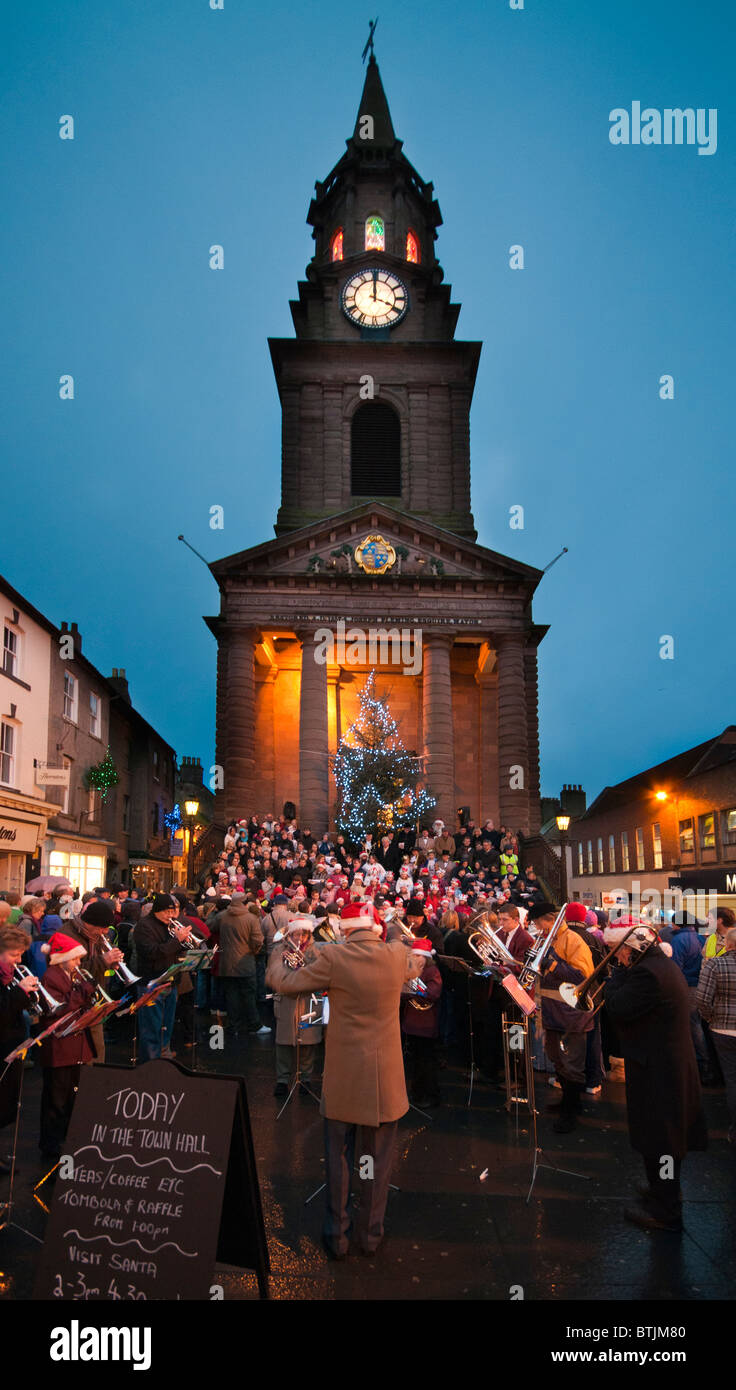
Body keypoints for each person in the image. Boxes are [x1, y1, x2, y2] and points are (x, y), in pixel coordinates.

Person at [266, 898, 423, 1260]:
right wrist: (397, 938)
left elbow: (282, 982)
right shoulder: (396, 954)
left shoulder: (334, 959)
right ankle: (371, 1234)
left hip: (344, 1079)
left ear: (344, 930)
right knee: (377, 1162)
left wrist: (277, 950)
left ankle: (337, 1235)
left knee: (338, 1158)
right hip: (385, 1081)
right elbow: (415, 966)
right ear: (373, 928)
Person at [603, 920, 707, 1231]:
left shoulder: (647, 973)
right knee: (659, 1137)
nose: (616, 958)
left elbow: (618, 1006)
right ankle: (661, 1191)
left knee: (663, 1140)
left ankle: (667, 1208)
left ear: (629, 948)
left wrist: (616, 976)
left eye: (616, 953)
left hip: (661, 1070)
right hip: (662, 1065)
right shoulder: (658, 965)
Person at [527, 901, 594, 1132]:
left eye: (539, 923)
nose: (538, 928)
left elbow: (583, 976)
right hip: (551, 1010)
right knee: (557, 1059)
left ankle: (572, 1110)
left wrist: (552, 965)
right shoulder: (547, 939)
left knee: (572, 1062)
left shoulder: (573, 940)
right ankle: (567, 1101)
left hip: (570, 1011)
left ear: (549, 919)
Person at [37, 932, 97, 1158]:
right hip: (60, 1048)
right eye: (75, 959)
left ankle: (66, 1136)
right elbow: (60, 1009)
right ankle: (51, 1144)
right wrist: (83, 992)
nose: (79, 964)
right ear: (62, 958)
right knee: (56, 1097)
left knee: (72, 1093)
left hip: (76, 1045)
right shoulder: (52, 976)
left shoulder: (71, 975)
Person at [0, 925, 41, 1171]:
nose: (18, 961)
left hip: (11, 1047)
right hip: (2, 1045)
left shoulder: (9, 976)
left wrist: (28, 995)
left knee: (7, 1103)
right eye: (14, 955)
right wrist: (20, 991)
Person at [132, 894, 191, 1062]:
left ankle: (164, 1058)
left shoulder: (169, 926)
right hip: (151, 982)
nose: (170, 916)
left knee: (166, 1026)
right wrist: (177, 940)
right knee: (151, 1028)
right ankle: (150, 1064)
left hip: (171, 981)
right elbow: (153, 953)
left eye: (172, 912)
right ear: (157, 910)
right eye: (166, 912)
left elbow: (174, 951)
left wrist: (184, 943)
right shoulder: (144, 927)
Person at [272, 916, 322, 1098]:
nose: (300, 938)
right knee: (284, 1043)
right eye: (296, 934)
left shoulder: (315, 951)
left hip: (309, 1002)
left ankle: (306, 1078)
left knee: (309, 1044)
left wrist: (304, 966)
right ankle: (282, 1080)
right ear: (290, 934)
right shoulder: (279, 950)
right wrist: (284, 967)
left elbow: (321, 976)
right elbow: (272, 976)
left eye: (303, 934)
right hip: (286, 1001)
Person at [696, 925, 736, 1144]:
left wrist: (711, 1018)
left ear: (727, 945)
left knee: (732, 1079)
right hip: (723, 1027)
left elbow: (702, 999)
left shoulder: (716, 964)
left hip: (724, 1028)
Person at [217, 892, 269, 1040]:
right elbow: (258, 941)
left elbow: (210, 926)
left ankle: (233, 1026)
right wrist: (253, 951)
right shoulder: (251, 918)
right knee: (249, 995)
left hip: (227, 963)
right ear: (245, 903)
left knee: (231, 996)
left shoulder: (223, 916)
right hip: (245, 962)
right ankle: (254, 1025)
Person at [401, 937, 442, 1107]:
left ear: (426, 957)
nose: (416, 959)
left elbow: (433, 993)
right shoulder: (410, 970)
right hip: (411, 1020)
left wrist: (413, 985)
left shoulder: (432, 971)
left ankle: (430, 1096)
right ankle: (417, 1093)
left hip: (425, 1022)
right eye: (414, 956)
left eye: (419, 956)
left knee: (426, 1061)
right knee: (415, 1061)